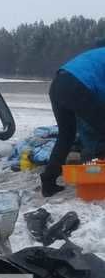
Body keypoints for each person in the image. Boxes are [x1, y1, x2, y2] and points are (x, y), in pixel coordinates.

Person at [41, 41, 105, 197]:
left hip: (57, 85)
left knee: (66, 136)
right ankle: (97, 175)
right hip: (76, 86)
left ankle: (48, 183)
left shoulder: (95, 55)